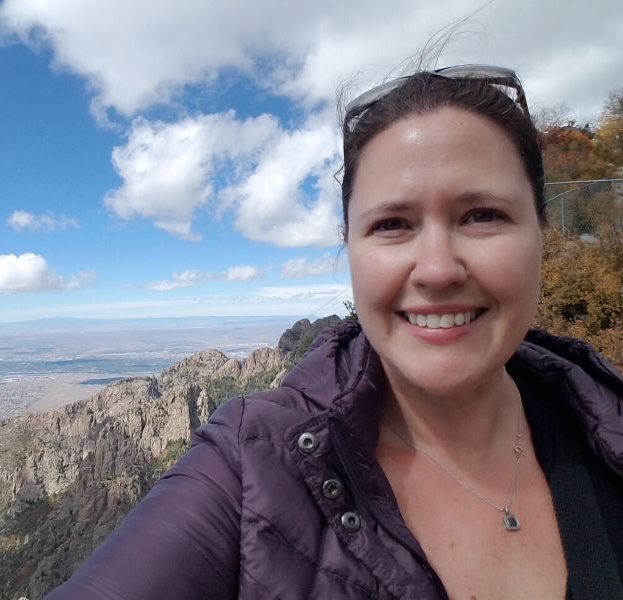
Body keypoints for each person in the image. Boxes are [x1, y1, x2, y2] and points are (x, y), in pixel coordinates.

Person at [45, 66, 623, 599]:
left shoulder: (606, 422)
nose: (438, 268)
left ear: (543, 231)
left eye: (482, 215)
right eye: (392, 224)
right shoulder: (249, 464)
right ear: (349, 247)